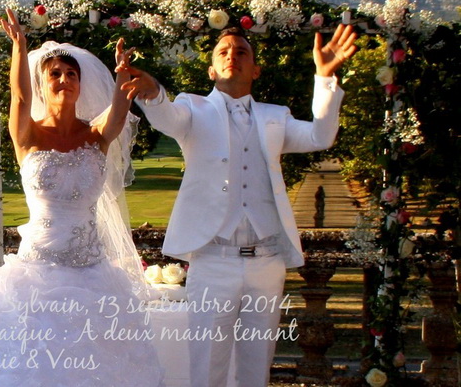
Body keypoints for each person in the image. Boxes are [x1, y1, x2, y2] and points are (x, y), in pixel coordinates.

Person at [0, 9, 164, 387]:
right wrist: (20, 49)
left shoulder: (97, 135)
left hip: (93, 275)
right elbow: (20, 96)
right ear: (43, 83)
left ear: (80, 84)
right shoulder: (27, 134)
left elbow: (121, 108)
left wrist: (122, 75)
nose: (64, 79)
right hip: (36, 273)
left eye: (71, 74)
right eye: (54, 73)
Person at [120, 23, 357, 387]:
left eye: (242, 51)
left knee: (256, 368)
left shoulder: (275, 116)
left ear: (256, 69)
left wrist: (325, 79)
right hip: (213, 262)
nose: (233, 55)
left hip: (267, 261)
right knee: (207, 368)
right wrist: (153, 94)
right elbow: (167, 117)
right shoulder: (191, 108)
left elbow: (320, 136)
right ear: (212, 70)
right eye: (224, 51)